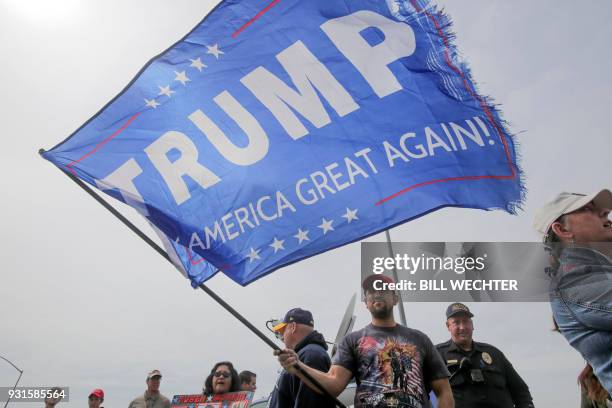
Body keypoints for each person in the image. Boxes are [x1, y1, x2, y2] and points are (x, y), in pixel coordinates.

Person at [275, 274, 454, 408]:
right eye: (371, 291)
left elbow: (444, 390)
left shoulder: (419, 339)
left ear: (395, 298)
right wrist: (297, 367)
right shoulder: (352, 341)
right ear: (366, 302)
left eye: (383, 289)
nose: (377, 294)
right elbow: (333, 384)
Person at [534, 189, 612, 394]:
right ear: (562, 230)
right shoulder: (575, 281)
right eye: (588, 209)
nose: (606, 213)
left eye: (603, 210)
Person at [435, 303, 534, 408]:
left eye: (466, 321)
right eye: (456, 322)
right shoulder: (437, 356)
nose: (462, 327)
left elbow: (521, 392)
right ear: (448, 326)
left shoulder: (494, 353)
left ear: (472, 325)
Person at [268, 308, 335, 408]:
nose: (282, 337)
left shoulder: (311, 355)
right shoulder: (304, 354)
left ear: (293, 327)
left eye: (283, 331)